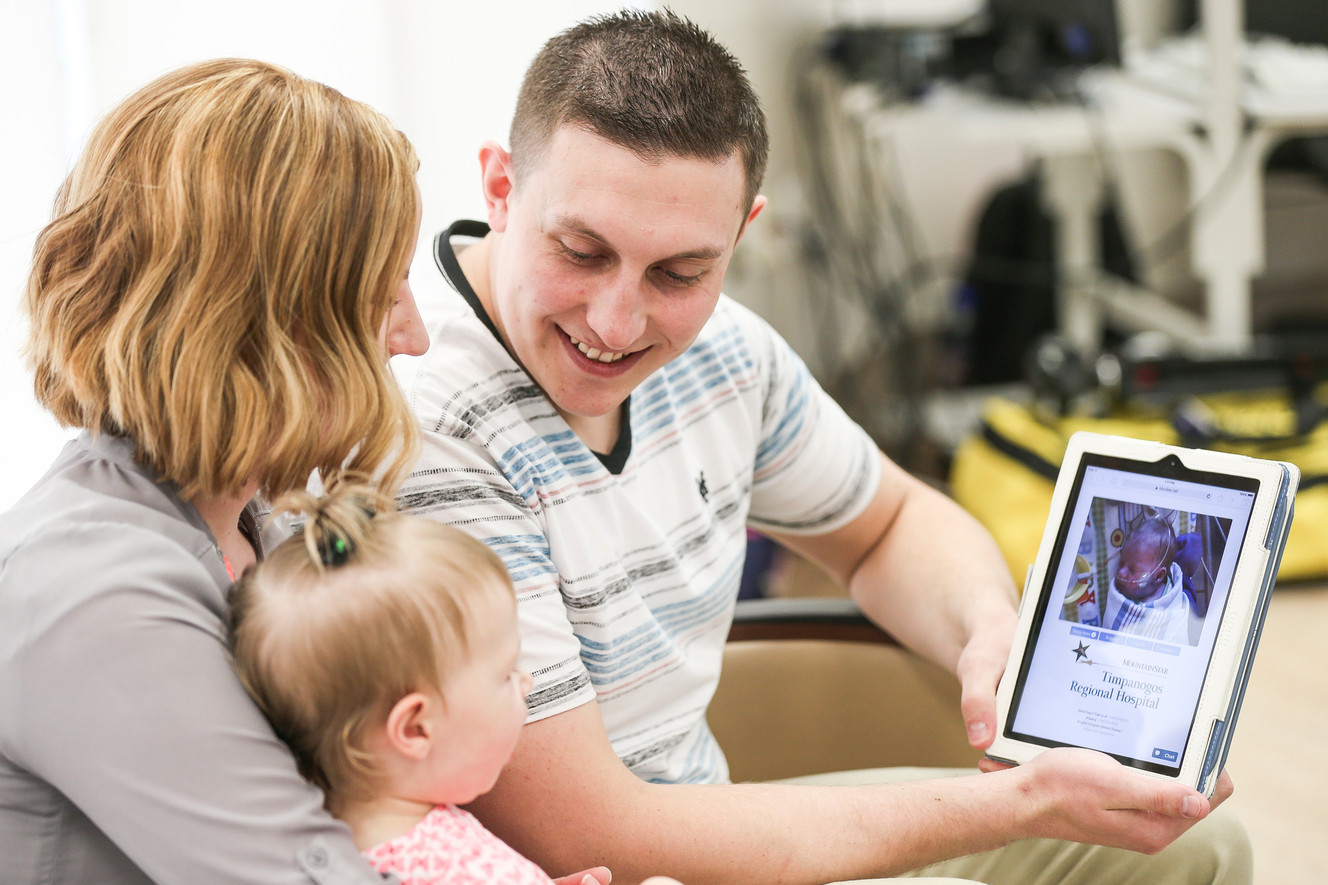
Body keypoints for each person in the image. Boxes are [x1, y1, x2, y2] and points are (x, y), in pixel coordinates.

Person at [396, 10, 1251, 885]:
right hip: (617, 862)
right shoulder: (432, 437)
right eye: (581, 250)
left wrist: (987, 628)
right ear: (499, 189)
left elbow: (885, 525)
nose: (617, 322)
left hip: (716, 816)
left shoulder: (726, 352)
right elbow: (588, 833)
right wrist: (1018, 803)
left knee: (1196, 841)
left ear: (742, 232)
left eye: (679, 273)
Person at [0, 58, 433, 883]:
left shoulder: (254, 526)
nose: (410, 336)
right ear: (277, 317)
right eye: (385, 291)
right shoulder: (92, 591)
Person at [229, 482, 679, 885]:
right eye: (504, 673)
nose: (525, 682)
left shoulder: (343, 849)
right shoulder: (450, 870)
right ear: (415, 728)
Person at [1105, 517, 1194, 644]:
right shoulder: (1123, 589)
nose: (1121, 572)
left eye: (1133, 569)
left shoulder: (1169, 606)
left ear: (1158, 576)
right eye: (1121, 563)